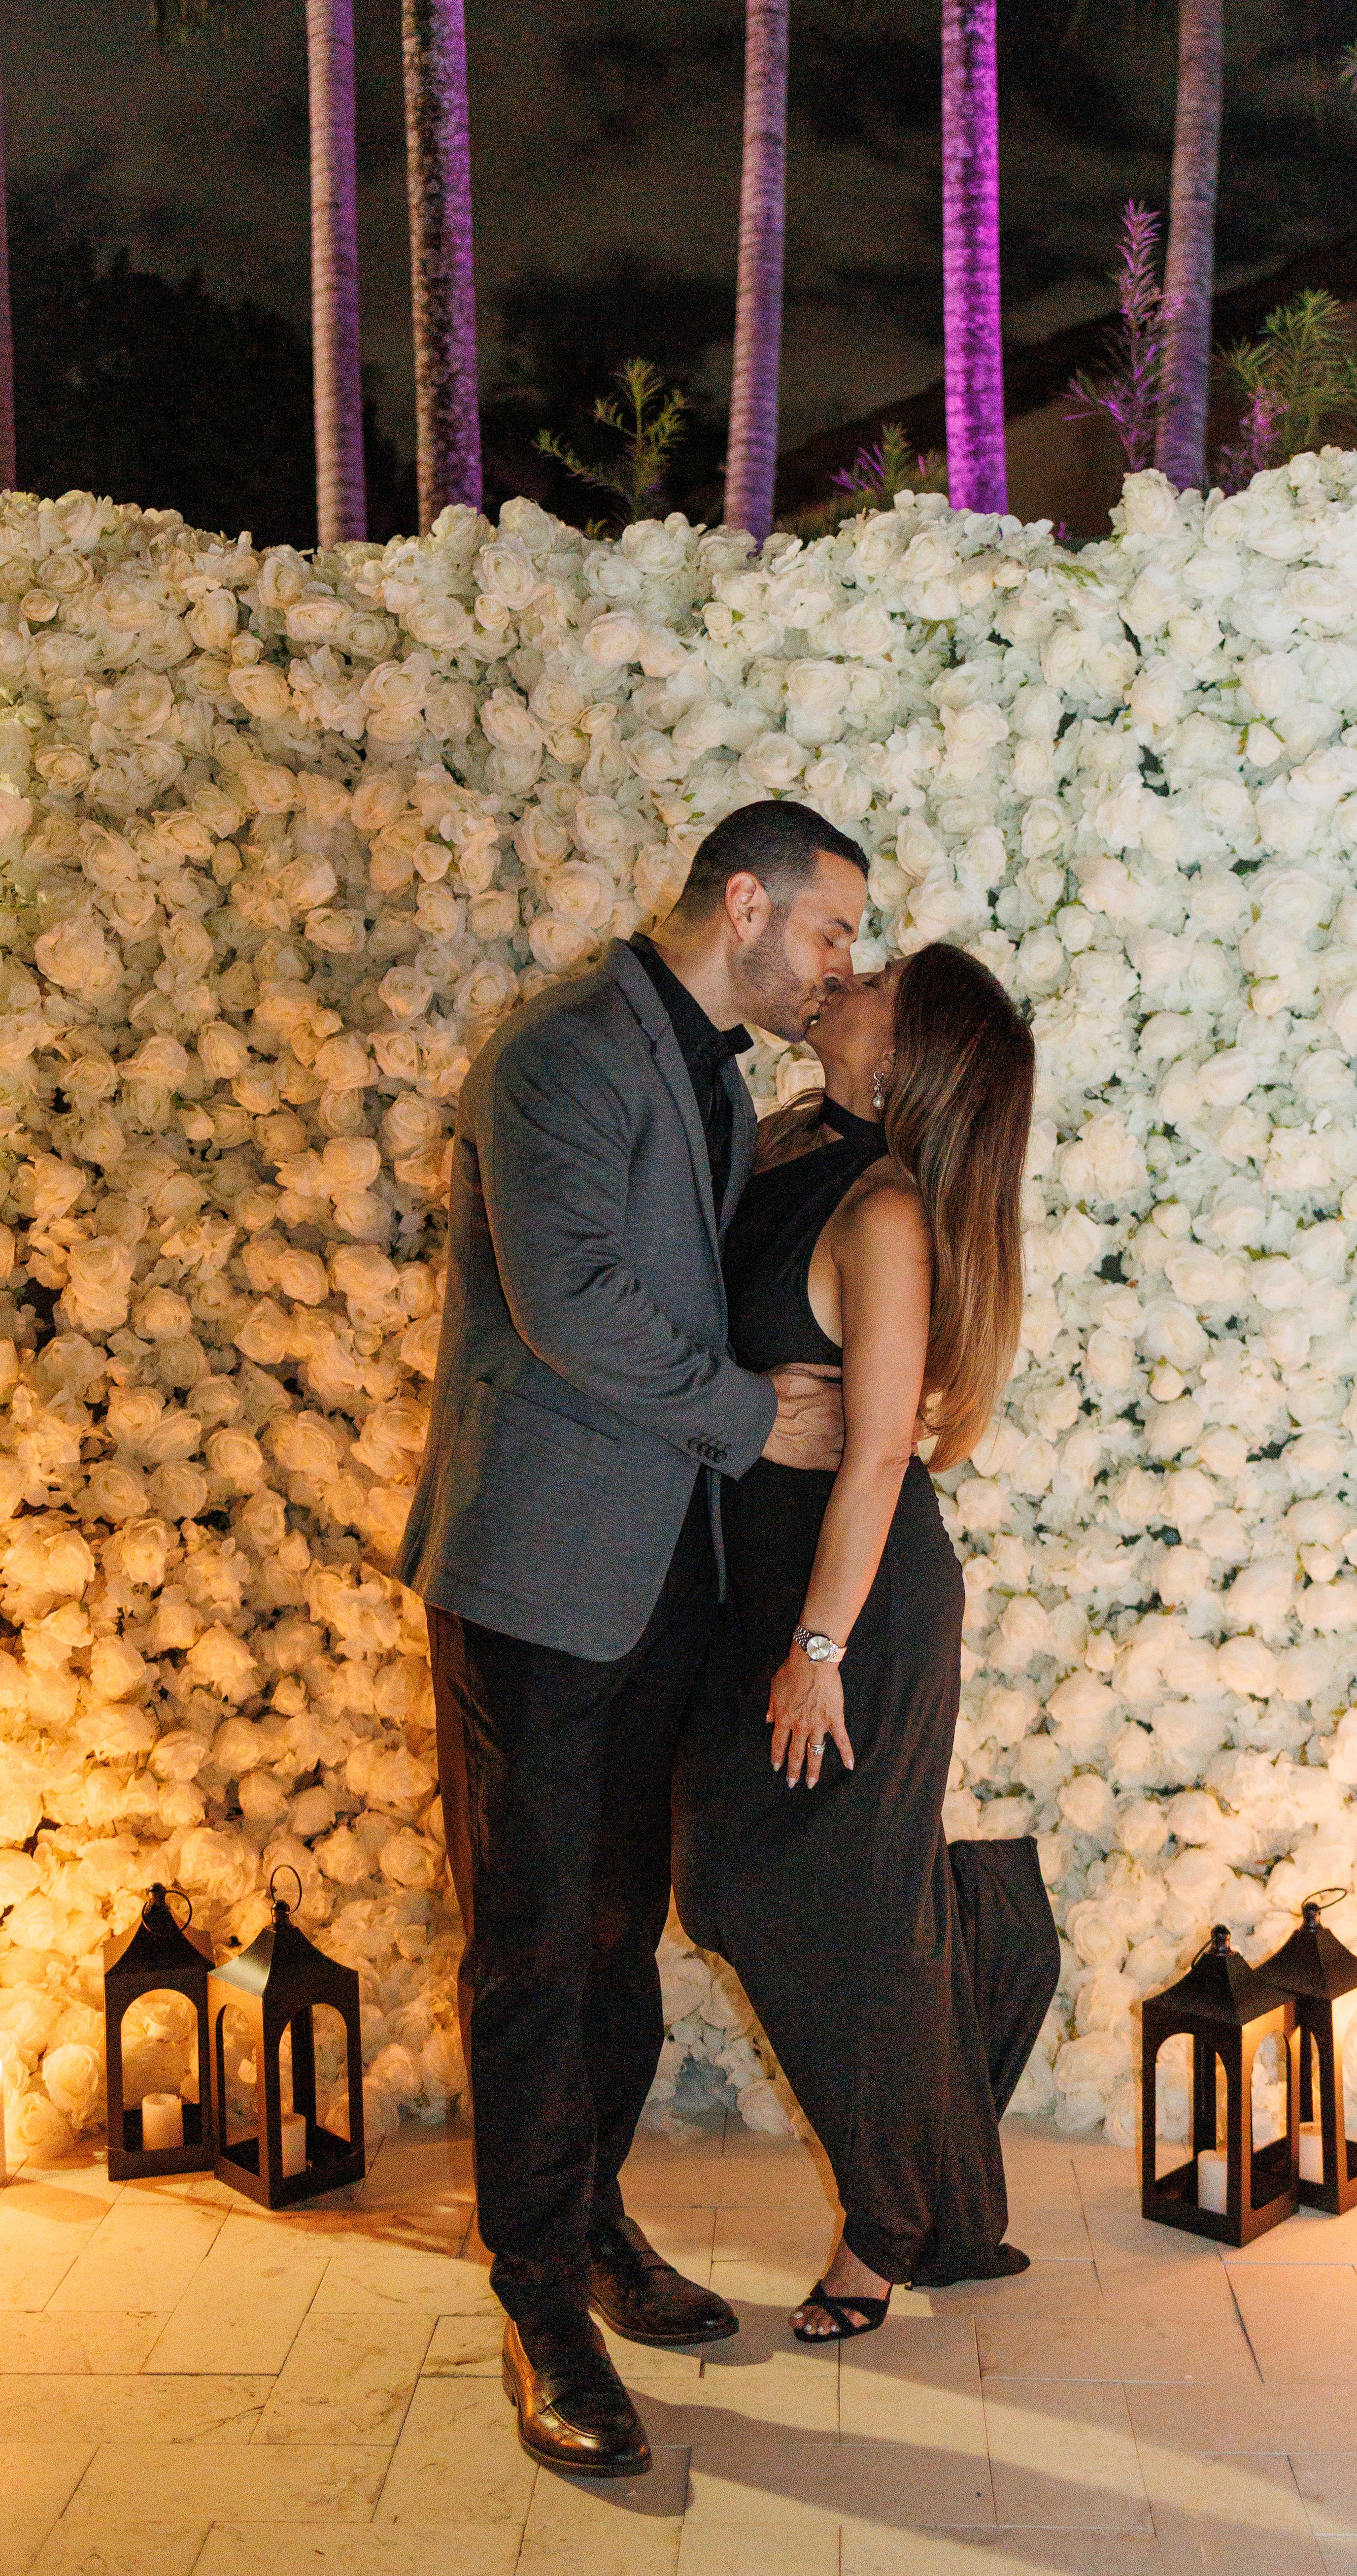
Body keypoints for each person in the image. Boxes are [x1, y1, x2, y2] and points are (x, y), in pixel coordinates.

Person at [395, 799, 870, 2476]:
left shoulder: (717, 1069)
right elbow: (572, 1297)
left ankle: (588, 2223)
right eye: (827, 933)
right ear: (745, 903)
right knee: (534, 1947)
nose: (838, 968)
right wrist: (758, 1420)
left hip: (664, 1578)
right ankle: (537, 2311)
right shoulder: (559, 1054)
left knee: (614, 1935)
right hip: (536, 1583)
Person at [675, 941, 1062, 2341]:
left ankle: (888, 2226)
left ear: (898, 1057)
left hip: (860, 1612)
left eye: (883, 976)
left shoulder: (887, 1212)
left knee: (809, 1905)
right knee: (740, 1886)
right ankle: (983, 1961)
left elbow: (882, 1457)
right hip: (765, 1586)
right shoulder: (786, 1142)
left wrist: (820, 1650)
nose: (855, 972)